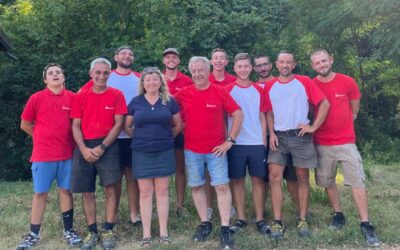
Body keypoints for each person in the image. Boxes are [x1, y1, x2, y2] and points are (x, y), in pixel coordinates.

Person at [310, 48, 381, 247]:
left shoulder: (347, 81)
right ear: (313, 66)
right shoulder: (312, 85)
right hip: (322, 142)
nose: (322, 65)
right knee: (327, 181)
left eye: (324, 61)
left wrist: (352, 118)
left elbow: (354, 106)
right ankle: (338, 214)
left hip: (346, 141)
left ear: (331, 60)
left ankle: (365, 222)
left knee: (357, 180)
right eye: (317, 63)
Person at [175, 56, 243, 250]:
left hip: (216, 151)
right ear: (190, 72)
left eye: (201, 70)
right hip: (192, 150)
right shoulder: (183, 93)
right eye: (194, 71)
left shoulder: (219, 92)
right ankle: (205, 222)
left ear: (208, 70)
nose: (197, 74)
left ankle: (224, 228)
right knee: (197, 187)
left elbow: (238, 114)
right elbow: (166, 107)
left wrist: (230, 141)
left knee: (221, 187)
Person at [265, 50, 330, 239]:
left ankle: (302, 219)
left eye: (289, 62)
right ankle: (277, 221)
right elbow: (268, 111)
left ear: (294, 65)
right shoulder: (269, 85)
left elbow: (324, 104)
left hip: (300, 136)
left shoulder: (304, 81)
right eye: (282, 62)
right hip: (279, 137)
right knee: (274, 176)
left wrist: (313, 126)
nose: (285, 65)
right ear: (276, 65)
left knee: (302, 177)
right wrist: (271, 134)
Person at [17, 63, 82, 250]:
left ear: (63, 77)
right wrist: (40, 136)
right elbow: (25, 124)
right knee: (40, 193)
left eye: (58, 72)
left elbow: (77, 124)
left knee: (66, 191)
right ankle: (33, 234)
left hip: (67, 154)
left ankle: (69, 231)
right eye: (51, 73)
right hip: (43, 155)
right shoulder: (36, 98)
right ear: (45, 80)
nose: (55, 75)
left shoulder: (73, 98)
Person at [70, 58, 127, 250]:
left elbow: (119, 124)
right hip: (83, 146)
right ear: (91, 73)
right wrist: (84, 149)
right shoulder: (81, 96)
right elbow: (75, 125)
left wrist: (102, 147)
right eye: (98, 72)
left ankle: (108, 229)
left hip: (108, 146)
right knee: (87, 192)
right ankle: (92, 231)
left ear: (110, 74)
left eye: (105, 72)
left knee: (110, 188)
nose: (102, 76)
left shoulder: (116, 95)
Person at [81, 45, 141, 226]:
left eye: (131, 53)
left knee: (132, 177)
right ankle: (112, 216)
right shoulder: (105, 75)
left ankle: (134, 215)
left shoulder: (139, 78)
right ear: (116, 57)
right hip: (111, 137)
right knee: (114, 179)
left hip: (132, 135)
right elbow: (82, 95)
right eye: (123, 53)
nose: (127, 56)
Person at [124, 67, 183, 247]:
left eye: (155, 79)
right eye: (148, 80)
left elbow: (179, 124)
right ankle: (147, 233)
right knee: (145, 192)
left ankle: (164, 232)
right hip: (141, 152)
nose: (151, 82)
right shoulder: (135, 102)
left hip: (164, 151)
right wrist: (141, 139)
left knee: (163, 191)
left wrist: (165, 138)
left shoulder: (169, 101)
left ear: (160, 82)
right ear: (142, 83)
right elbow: (126, 127)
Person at [225, 53, 270, 235]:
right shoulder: (227, 90)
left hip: (256, 142)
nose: (243, 70)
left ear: (251, 68)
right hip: (236, 143)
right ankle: (241, 218)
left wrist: (264, 140)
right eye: (239, 67)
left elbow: (263, 115)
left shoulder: (259, 89)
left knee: (258, 180)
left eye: (246, 66)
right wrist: (227, 138)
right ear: (234, 69)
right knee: (237, 181)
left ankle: (260, 219)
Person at [254, 54, 299, 211]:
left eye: (265, 64)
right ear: (255, 69)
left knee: (292, 177)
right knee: (266, 177)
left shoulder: (280, 83)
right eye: (259, 65)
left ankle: (300, 208)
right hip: (263, 138)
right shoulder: (253, 87)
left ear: (272, 65)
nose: (263, 68)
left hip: (286, 134)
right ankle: (266, 210)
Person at [207, 48, 237, 220]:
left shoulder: (233, 80)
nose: (218, 61)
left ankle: (229, 204)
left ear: (226, 62)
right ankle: (209, 206)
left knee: (228, 170)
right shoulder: (205, 79)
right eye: (215, 58)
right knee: (208, 172)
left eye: (222, 58)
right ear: (211, 62)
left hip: (230, 130)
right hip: (212, 131)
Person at [162, 48, 193, 217]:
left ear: (178, 61)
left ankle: (180, 205)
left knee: (180, 168)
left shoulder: (187, 80)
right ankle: (162, 204)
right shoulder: (157, 80)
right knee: (162, 170)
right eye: (168, 57)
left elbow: (190, 105)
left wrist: (181, 126)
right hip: (161, 131)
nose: (171, 59)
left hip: (181, 130)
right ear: (164, 61)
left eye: (174, 57)